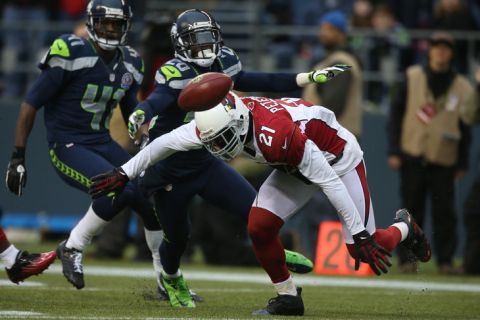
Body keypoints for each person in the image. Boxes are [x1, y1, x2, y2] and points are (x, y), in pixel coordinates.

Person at [90, 92, 432, 316]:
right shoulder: (215, 121)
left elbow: (327, 180)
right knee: (259, 226)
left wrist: (358, 232)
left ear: (238, 123)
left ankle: (405, 228)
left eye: (225, 140)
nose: (221, 148)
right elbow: (164, 143)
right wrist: (125, 172)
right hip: (294, 164)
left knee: (362, 250)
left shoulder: (278, 135)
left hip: (337, 158)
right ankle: (288, 297)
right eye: (214, 142)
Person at [124, 8, 347, 308]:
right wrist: (142, 112)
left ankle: (275, 253)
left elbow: (261, 78)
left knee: (256, 210)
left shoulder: (224, 61)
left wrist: (305, 77)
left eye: (206, 39)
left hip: (205, 161)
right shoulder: (173, 72)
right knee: (178, 237)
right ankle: (172, 277)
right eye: (195, 41)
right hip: (170, 169)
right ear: (180, 44)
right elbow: (159, 98)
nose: (203, 47)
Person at [5, 0, 164, 292]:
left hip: (102, 142)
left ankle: (167, 278)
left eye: (117, 23)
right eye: (106, 22)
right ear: (92, 23)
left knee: (147, 193)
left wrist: (146, 140)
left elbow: (132, 111)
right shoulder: (71, 51)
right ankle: (73, 247)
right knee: (115, 189)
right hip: (67, 144)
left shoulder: (131, 61)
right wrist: (18, 155)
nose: (111, 29)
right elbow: (31, 103)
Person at [386, 31, 472, 274]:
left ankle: (445, 261)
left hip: (444, 157)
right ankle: (407, 260)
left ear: (452, 52)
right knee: (410, 210)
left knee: (445, 212)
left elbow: (466, 129)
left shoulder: (462, 86)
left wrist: (462, 161)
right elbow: (395, 115)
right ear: (429, 50)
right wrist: (394, 148)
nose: (440, 51)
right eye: (436, 46)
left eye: (445, 47)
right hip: (413, 153)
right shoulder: (412, 76)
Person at [302, 10, 363, 139]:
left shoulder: (341, 63)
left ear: (342, 34)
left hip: (335, 139)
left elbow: (332, 106)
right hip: (331, 137)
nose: (323, 33)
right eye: (322, 29)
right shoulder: (329, 60)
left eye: (329, 29)